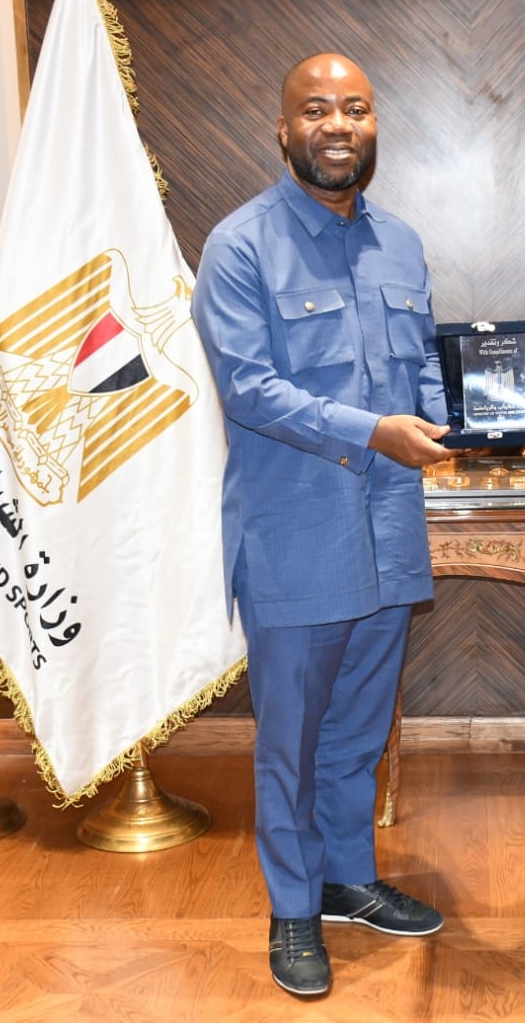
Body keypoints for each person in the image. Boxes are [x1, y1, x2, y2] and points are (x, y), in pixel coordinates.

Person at [191, 52, 452, 998]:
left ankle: (346, 880)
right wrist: (374, 432)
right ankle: (293, 907)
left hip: (389, 532)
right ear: (283, 128)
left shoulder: (403, 245)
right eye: (315, 110)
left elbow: (427, 369)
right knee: (291, 742)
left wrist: (475, 422)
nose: (337, 125)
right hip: (296, 539)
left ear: (373, 125)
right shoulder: (240, 246)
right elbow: (249, 390)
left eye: (355, 109)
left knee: (357, 732)